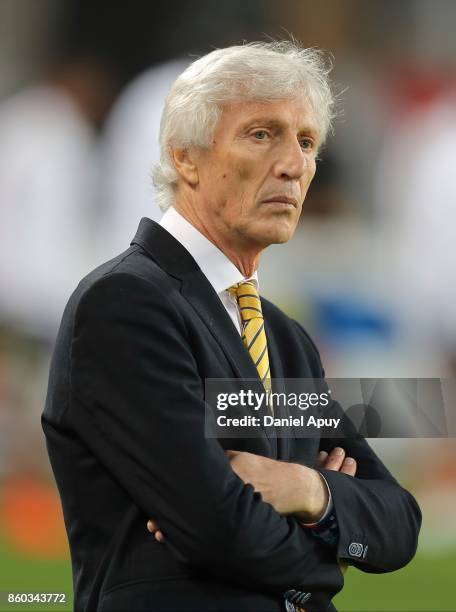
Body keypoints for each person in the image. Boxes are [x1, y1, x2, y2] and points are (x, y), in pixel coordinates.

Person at [42, 41, 421, 612]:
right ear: (186, 157)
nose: (294, 164)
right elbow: (215, 524)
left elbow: (398, 522)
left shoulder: (284, 337)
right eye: (262, 134)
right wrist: (329, 553)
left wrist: (307, 489)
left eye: (307, 141)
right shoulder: (124, 303)